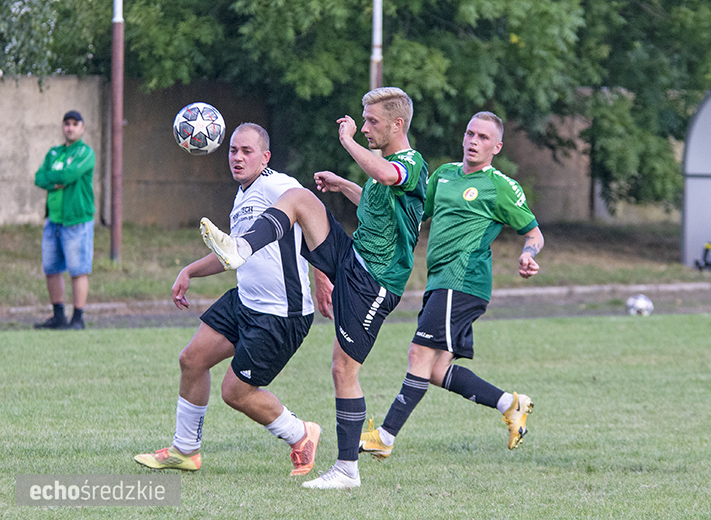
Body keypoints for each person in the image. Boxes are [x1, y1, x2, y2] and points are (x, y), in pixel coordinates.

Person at [199, 87, 428, 489]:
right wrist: (343, 185)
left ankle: (347, 470)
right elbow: (376, 201)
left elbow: (386, 175)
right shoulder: (385, 168)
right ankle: (242, 248)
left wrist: (348, 142)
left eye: (372, 121)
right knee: (300, 198)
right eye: (364, 121)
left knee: (344, 369)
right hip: (353, 258)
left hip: (374, 282)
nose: (365, 127)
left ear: (397, 124)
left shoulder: (409, 163)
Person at [134, 123, 332, 477]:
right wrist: (190, 271)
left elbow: (315, 215)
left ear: (265, 157)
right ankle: (185, 451)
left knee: (236, 392)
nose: (237, 157)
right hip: (245, 301)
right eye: (233, 151)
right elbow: (234, 252)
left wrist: (322, 276)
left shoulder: (277, 184)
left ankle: (301, 433)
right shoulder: (244, 194)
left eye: (246, 151)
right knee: (192, 360)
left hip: (279, 313)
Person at [359, 111, 544, 461]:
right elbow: (406, 212)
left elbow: (533, 233)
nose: (474, 141)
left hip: (462, 282)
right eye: (470, 133)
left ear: (497, 147)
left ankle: (385, 436)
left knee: (418, 355)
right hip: (440, 282)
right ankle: (511, 404)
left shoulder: (499, 186)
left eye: (484, 138)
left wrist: (528, 254)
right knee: (436, 370)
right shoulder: (443, 175)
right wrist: (347, 187)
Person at [34, 110, 96, 330]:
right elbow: (39, 177)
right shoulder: (54, 152)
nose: (70, 127)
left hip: (76, 220)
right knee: (51, 268)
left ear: (82, 128)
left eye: (74, 124)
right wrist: (55, 182)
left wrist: (58, 178)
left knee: (78, 270)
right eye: (66, 123)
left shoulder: (85, 152)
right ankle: (58, 316)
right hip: (53, 221)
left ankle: (77, 318)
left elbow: (69, 175)